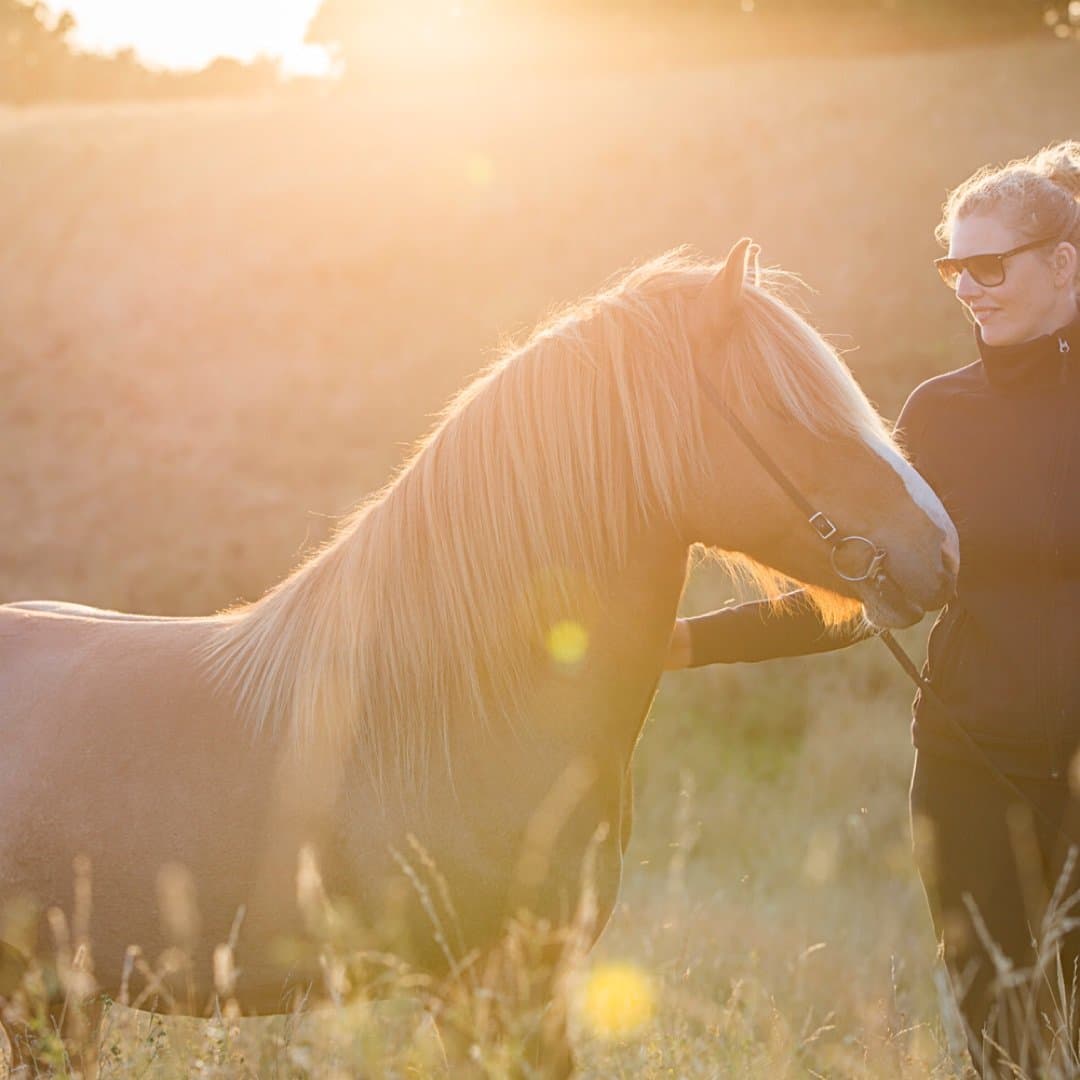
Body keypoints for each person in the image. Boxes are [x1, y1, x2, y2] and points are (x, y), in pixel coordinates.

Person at [667, 140, 1080, 1077]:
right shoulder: (938, 415)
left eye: (990, 265)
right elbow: (868, 591)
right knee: (1004, 1048)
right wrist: (686, 644)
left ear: (1064, 261)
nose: (968, 288)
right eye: (953, 268)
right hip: (972, 779)